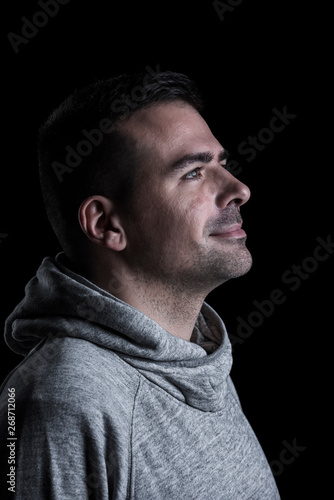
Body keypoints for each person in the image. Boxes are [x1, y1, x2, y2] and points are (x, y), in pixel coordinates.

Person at [0, 71, 280, 499]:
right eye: (193, 173)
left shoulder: (196, 360)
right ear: (107, 223)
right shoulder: (65, 398)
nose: (239, 189)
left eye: (221, 164)